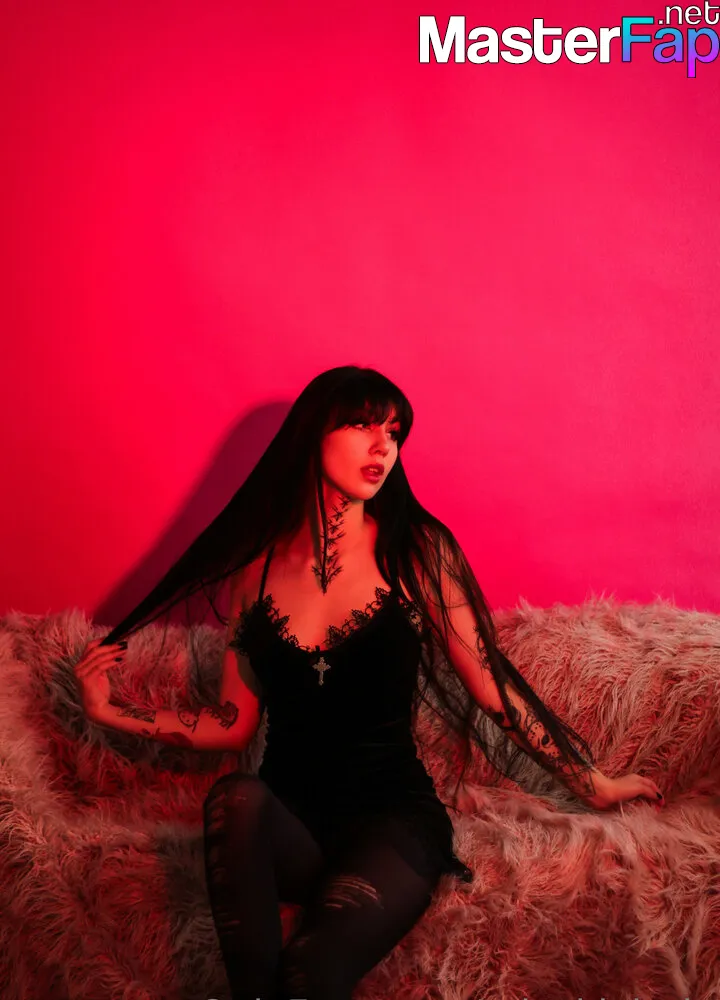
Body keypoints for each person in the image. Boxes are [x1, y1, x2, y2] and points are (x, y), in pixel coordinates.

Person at [73, 365, 664, 1000]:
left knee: (308, 973)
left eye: (394, 431)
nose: (383, 445)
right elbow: (232, 723)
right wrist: (111, 712)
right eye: (361, 425)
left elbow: (491, 687)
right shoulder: (254, 578)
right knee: (235, 797)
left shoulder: (416, 552)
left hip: (391, 824)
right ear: (311, 435)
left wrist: (593, 783)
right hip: (293, 829)